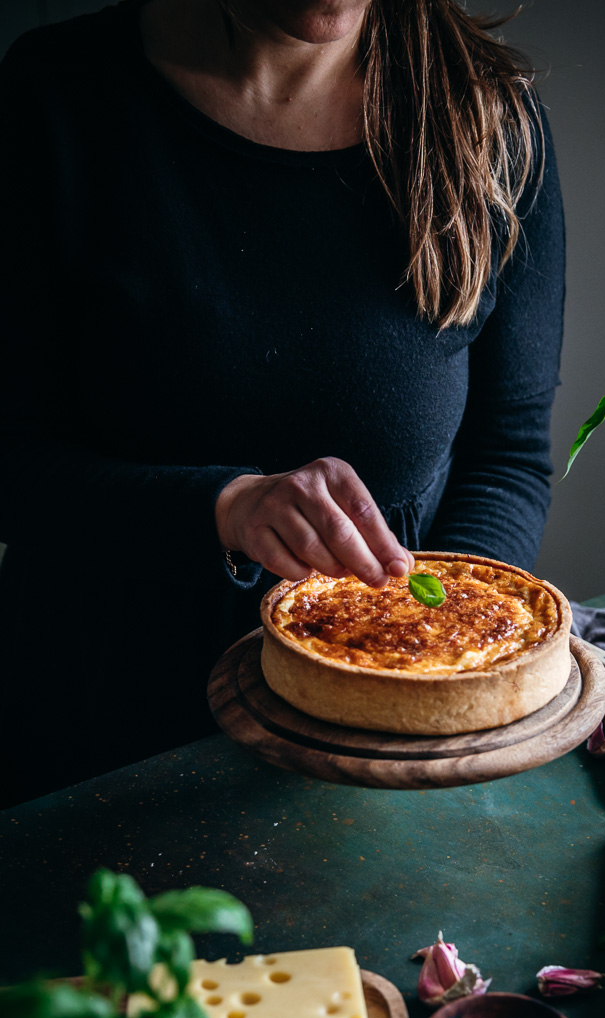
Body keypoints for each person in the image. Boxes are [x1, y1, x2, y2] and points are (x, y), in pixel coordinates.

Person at [0, 0, 565, 804]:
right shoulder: (57, 93)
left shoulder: (490, 117)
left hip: (386, 750)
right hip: (101, 723)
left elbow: (506, 452)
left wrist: (432, 656)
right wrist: (223, 507)